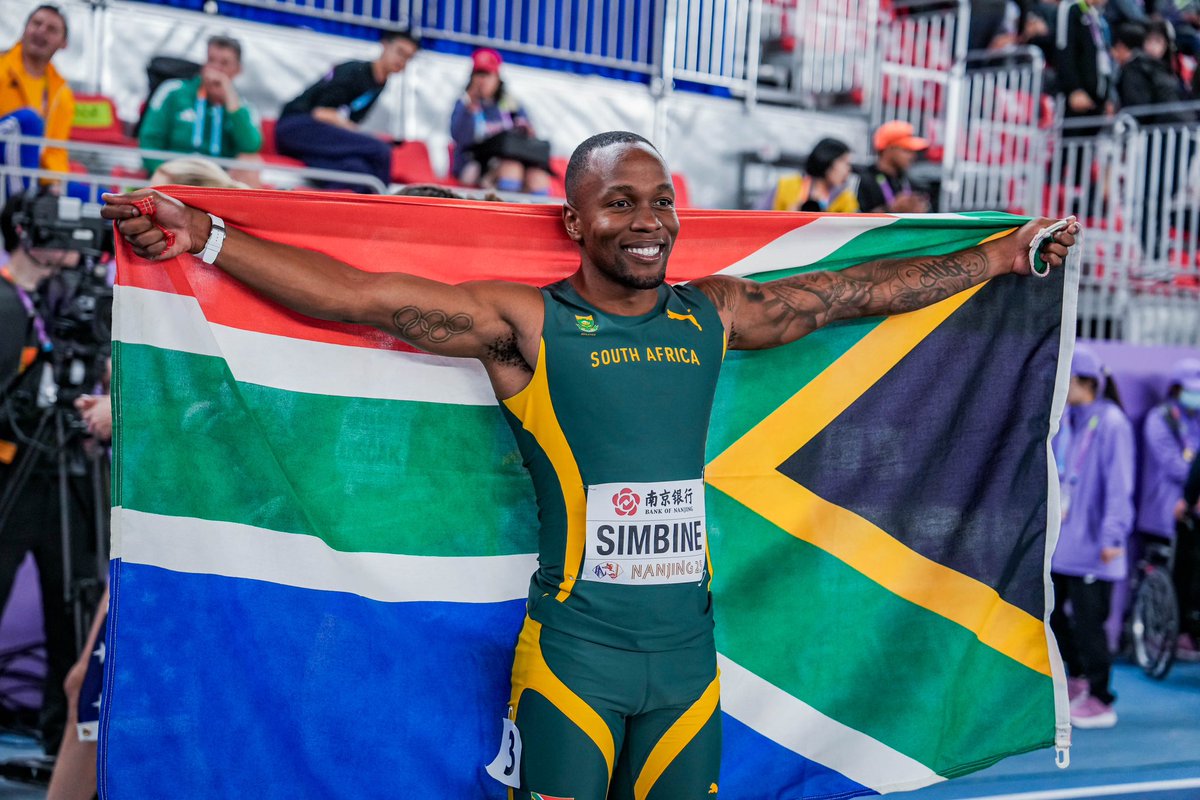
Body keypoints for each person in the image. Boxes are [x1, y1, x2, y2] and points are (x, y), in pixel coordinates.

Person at [101, 130, 1078, 799]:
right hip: (575, 666)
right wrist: (209, 235)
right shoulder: (526, 325)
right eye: (619, 203)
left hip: (691, 671)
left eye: (661, 202)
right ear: (575, 221)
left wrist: (1000, 258)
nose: (649, 220)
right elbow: (365, 298)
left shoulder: (714, 313)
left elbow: (853, 290)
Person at [0, 194, 87, 755]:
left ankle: (64, 742)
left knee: (73, 608)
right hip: (10, 476)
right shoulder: (8, 303)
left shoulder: (68, 301)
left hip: (65, 474)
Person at [1050, 345, 1135, 729]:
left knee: (1090, 625)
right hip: (1065, 543)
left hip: (1097, 548)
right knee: (1051, 615)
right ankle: (1079, 678)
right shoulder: (1067, 418)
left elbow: (1120, 487)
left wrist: (1112, 538)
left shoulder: (1112, 423)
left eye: (1066, 376)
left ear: (1085, 381)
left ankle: (1102, 698)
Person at [274, 29, 420, 190]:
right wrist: (365, 137)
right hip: (298, 126)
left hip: (317, 143)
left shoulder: (380, 83)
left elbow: (346, 121)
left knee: (358, 170)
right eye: (400, 52)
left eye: (408, 58)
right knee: (380, 150)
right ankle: (385, 209)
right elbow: (322, 113)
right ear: (384, 45)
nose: (402, 61)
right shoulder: (353, 70)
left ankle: (332, 209)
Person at [1138, 359, 1200, 656]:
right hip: (1162, 512)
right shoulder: (1159, 418)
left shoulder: (1196, 418)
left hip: (1191, 515)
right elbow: (1175, 464)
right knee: (1166, 576)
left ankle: (1187, 632)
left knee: (1189, 576)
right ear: (1175, 388)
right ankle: (1158, 635)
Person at [137, 35, 262, 175]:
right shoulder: (174, 91)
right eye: (211, 60)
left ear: (238, 70)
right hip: (174, 173)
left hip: (218, 180)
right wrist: (164, 173)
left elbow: (251, 147)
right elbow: (150, 140)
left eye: (224, 63)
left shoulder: (243, 107)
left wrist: (232, 104)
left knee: (250, 161)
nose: (216, 68)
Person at [449, 48, 551, 194]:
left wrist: (526, 130)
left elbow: (529, 134)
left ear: (497, 78)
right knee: (511, 169)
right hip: (475, 163)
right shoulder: (465, 103)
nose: (482, 80)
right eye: (479, 74)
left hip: (511, 159)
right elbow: (461, 139)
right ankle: (505, 215)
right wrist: (469, 110)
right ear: (472, 77)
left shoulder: (510, 103)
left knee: (538, 177)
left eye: (488, 75)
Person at [0, 5, 75, 194]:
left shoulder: (63, 94)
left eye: (52, 29)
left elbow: (56, 150)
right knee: (29, 120)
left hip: (33, 174)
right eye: (37, 23)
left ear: (63, 43)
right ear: (24, 29)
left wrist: (54, 182)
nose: (41, 31)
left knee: (102, 196)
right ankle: (18, 208)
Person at [763, 137, 859, 212]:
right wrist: (789, 217)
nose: (849, 170)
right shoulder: (786, 185)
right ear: (826, 160)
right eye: (845, 163)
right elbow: (761, 221)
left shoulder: (846, 199)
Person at [1055, 0, 1115, 118]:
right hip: (1077, 99)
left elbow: (1103, 58)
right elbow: (1063, 50)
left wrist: (1107, 96)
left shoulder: (1096, 15)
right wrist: (1074, 89)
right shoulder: (1071, 8)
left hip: (1097, 101)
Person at [855, 122, 931, 214]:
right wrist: (892, 210)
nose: (912, 156)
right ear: (889, 149)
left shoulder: (909, 181)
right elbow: (855, 219)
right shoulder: (862, 180)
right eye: (906, 150)